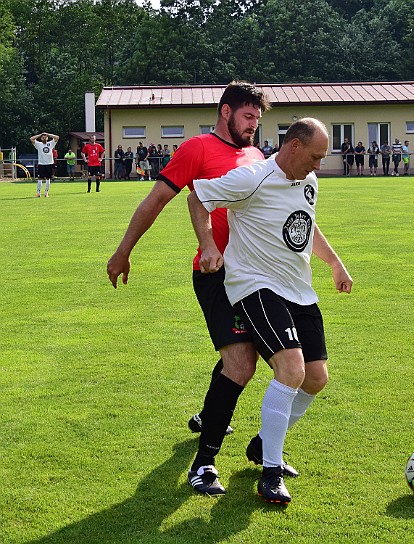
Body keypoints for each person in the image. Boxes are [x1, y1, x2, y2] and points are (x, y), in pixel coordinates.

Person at [106, 81, 272, 497]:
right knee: (241, 364)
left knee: (252, 362)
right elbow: (156, 200)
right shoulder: (197, 149)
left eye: (258, 117)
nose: (253, 125)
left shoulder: (254, 155)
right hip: (214, 274)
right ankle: (203, 465)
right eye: (247, 116)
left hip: (254, 276)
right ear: (225, 111)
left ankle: (208, 414)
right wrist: (123, 251)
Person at [187, 118, 353, 504]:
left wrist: (334, 263)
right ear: (293, 146)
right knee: (290, 369)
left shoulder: (308, 180)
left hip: (299, 289)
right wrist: (208, 244)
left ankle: (263, 445)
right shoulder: (252, 178)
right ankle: (271, 472)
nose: (318, 165)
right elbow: (197, 197)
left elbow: (306, 226)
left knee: (315, 378)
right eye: (315, 156)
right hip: (256, 285)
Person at [30, 132, 59, 198]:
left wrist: (48, 134)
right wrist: (40, 134)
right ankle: (38, 193)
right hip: (41, 163)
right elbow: (31, 139)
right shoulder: (38, 144)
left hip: (49, 163)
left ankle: (46, 193)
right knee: (40, 178)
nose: (44, 137)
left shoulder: (50, 143)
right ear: (41, 138)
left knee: (48, 178)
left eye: (45, 137)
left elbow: (57, 137)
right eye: (43, 137)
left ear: (47, 138)